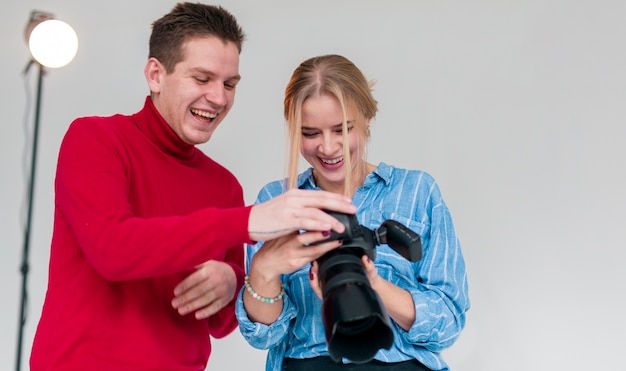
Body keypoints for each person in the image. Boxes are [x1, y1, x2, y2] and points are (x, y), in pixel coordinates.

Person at [29, 5, 356, 371]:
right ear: (155, 74)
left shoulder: (223, 186)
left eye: (229, 84)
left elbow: (221, 325)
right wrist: (246, 222)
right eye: (202, 79)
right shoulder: (95, 139)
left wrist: (231, 281)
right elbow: (112, 250)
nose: (219, 98)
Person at [235, 54, 470, 370]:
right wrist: (264, 268)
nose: (328, 148)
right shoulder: (277, 199)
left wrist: (370, 283)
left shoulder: (416, 191)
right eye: (310, 133)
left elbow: (448, 323)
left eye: (342, 129)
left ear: (368, 118)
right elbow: (263, 336)